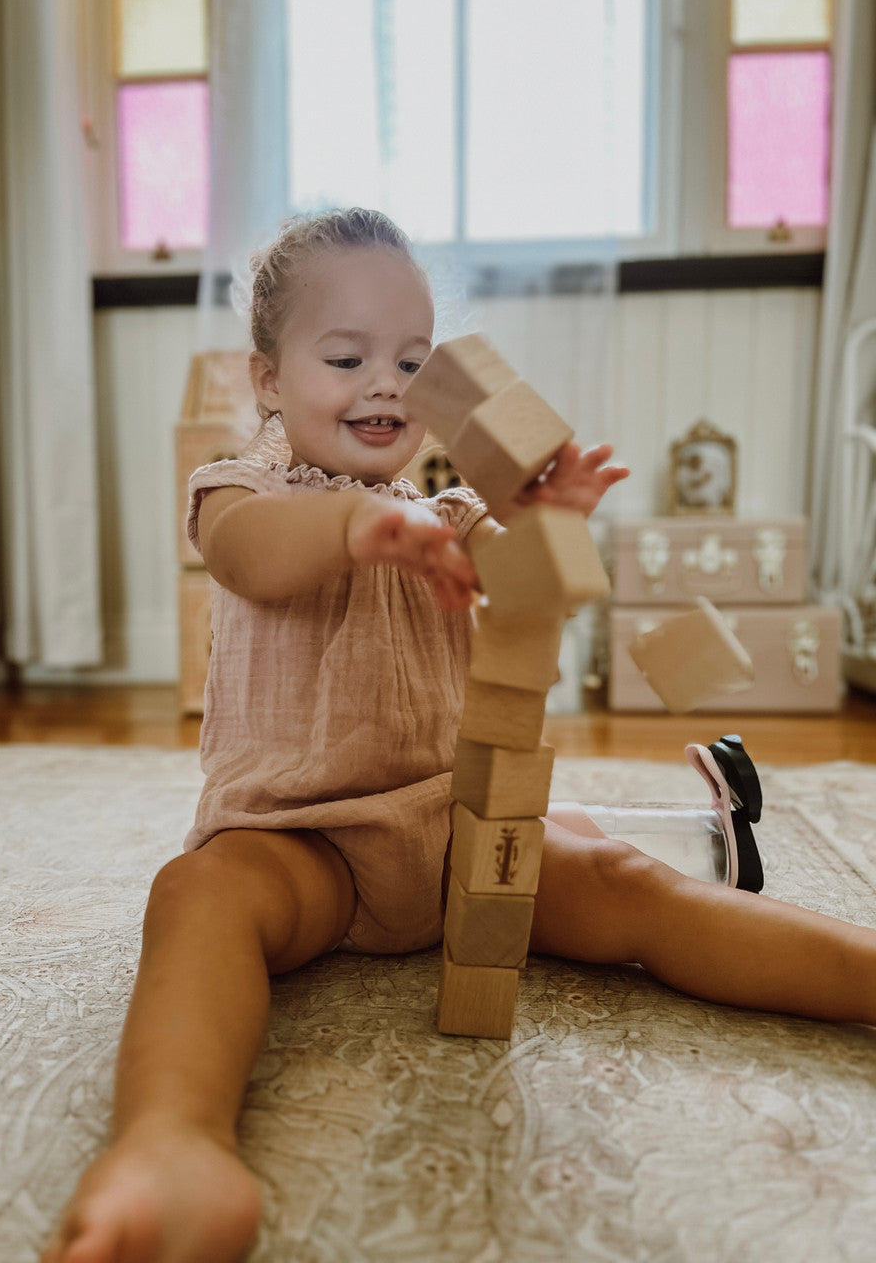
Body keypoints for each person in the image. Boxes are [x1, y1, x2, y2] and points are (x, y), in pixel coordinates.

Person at [44, 208, 876, 1263]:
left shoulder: (448, 510)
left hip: (454, 834)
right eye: (346, 358)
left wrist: (550, 519)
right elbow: (254, 554)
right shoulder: (238, 491)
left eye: (411, 361)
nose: (385, 384)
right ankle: (174, 1144)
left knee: (627, 882)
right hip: (302, 842)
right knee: (197, 894)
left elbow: (531, 590)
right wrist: (358, 527)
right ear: (268, 379)